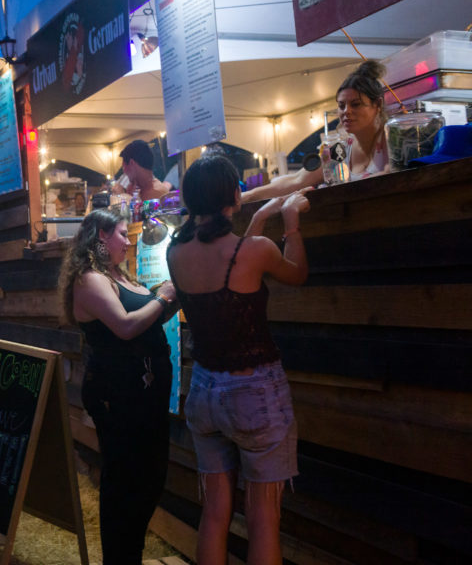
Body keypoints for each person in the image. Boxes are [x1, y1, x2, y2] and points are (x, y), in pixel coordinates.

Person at [166, 154, 310, 565]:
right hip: (256, 394)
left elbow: (229, 261)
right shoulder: (257, 251)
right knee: (263, 518)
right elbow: (296, 272)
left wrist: (262, 219)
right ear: (233, 194)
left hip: (205, 392)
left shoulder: (176, 255)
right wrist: (292, 222)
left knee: (214, 513)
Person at [56, 207, 178, 564]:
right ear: (101, 238)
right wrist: (162, 297)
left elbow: (150, 318)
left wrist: (168, 299)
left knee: (151, 477)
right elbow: (125, 326)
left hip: (146, 392)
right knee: (126, 481)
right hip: (118, 394)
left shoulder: (119, 275)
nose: (129, 239)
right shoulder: (89, 279)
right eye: (123, 233)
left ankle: (130, 556)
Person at [242, 60, 390, 203]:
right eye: (341, 105)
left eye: (355, 104)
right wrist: (248, 196)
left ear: (377, 104)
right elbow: (296, 180)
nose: (347, 111)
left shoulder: (392, 141)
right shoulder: (340, 149)